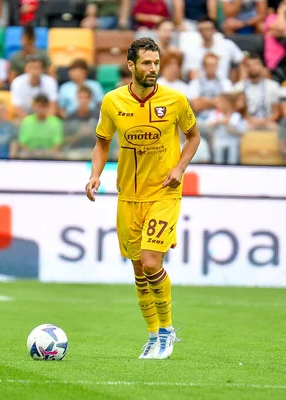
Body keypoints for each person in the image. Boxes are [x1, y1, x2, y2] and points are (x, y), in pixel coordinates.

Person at [85, 37, 201, 360]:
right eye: (147, 63)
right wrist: (96, 175)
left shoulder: (175, 100)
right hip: (128, 196)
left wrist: (180, 167)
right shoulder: (112, 101)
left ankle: (167, 331)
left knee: (152, 262)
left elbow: (194, 136)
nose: (153, 69)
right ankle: (152, 335)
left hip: (164, 192)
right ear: (131, 66)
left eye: (156, 63)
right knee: (139, 270)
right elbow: (102, 142)